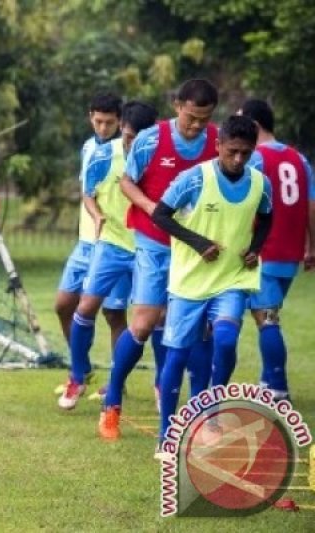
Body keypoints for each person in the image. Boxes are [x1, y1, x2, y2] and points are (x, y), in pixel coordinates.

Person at [151, 115, 272, 454]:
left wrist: (257, 248)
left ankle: (211, 411)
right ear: (218, 145)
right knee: (175, 357)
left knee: (225, 338)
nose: (238, 160)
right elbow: (160, 214)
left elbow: (267, 215)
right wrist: (198, 242)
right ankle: (166, 435)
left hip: (232, 278)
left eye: (245, 154)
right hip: (189, 282)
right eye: (232, 151)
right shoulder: (193, 179)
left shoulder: (261, 183)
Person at [106, 79, 220, 416]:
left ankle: (199, 411)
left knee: (200, 326)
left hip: (196, 248)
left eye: (205, 118)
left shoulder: (217, 141)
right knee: (143, 323)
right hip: (154, 241)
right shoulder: (150, 139)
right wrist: (150, 206)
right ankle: (112, 399)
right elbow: (126, 182)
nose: (197, 125)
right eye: (191, 117)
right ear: (177, 105)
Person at [61, 101, 157, 412]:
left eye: (137, 139)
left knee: (148, 319)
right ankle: (77, 376)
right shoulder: (104, 154)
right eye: (127, 137)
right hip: (112, 244)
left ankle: (148, 385)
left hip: (147, 247)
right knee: (85, 305)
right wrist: (97, 215)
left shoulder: (159, 158)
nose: (131, 144)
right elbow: (89, 193)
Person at [238, 99, 315, 401]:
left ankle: (279, 388)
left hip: (263, 252)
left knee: (267, 319)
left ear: (254, 126)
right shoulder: (299, 159)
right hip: (290, 253)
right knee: (269, 314)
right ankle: (267, 381)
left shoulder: (254, 159)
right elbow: (310, 206)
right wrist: (311, 245)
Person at [55, 93, 129, 401]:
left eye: (109, 122)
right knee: (63, 306)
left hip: (114, 243)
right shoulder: (88, 147)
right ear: (90, 117)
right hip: (86, 244)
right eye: (98, 121)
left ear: (119, 121)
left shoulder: (127, 152)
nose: (102, 127)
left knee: (114, 314)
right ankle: (81, 370)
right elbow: (88, 193)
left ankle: (117, 380)